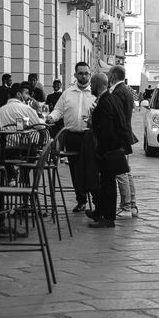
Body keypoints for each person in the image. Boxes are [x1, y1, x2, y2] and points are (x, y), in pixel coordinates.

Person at [46, 62, 96, 212]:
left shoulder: (94, 92)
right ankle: (81, 200)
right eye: (80, 73)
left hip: (89, 136)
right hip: (71, 136)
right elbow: (58, 111)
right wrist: (50, 118)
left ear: (90, 74)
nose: (83, 76)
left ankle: (95, 200)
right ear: (75, 75)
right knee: (75, 169)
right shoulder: (67, 93)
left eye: (86, 73)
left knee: (91, 169)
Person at [86, 73, 130, 228]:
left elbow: (107, 130)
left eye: (92, 83)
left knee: (108, 183)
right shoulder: (110, 98)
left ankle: (108, 217)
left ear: (98, 84)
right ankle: (100, 212)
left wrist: (101, 151)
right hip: (112, 148)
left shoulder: (105, 102)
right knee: (104, 183)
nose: (90, 86)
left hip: (109, 150)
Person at [108, 65, 138, 218]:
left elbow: (118, 116)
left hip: (120, 137)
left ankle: (126, 207)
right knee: (126, 171)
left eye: (108, 74)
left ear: (113, 75)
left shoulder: (118, 92)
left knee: (121, 173)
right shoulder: (125, 90)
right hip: (125, 135)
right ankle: (132, 205)